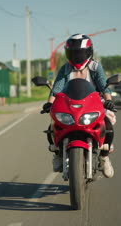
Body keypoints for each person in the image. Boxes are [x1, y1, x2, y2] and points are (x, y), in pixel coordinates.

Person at [41, 34, 116, 178]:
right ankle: (57, 153)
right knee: (53, 126)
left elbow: (103, 86)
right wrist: (50, 103)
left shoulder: (95, 67)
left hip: (93, 104)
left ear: (88, 52)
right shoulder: (65, 68)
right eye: (73, 53)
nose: (77, 56)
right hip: (69, 105)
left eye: (80, 52)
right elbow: (56, 88)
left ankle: (104, 157)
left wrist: (108, 100)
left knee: (108, 126)